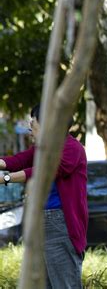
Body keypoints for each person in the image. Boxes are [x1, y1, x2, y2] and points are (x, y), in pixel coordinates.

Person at [0, 104, 88, 289]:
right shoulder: (44, 149)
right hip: (42, 221)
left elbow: (45, 171)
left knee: (64, 285)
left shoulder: (72, 148)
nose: (30, 126)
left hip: (59, 222)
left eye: (34, 121)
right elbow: (17, 161)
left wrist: (6, 178)